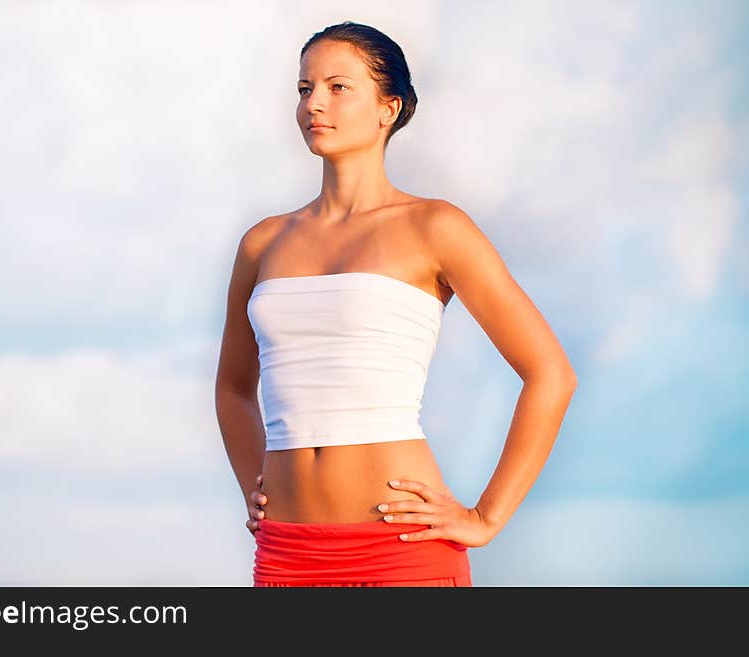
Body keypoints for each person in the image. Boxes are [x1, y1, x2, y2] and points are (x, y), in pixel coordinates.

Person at [215, 21, 577, 587]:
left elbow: (550, 374)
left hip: (400, 549)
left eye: (338, 87)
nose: (315, 103)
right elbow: (233, 387)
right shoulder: (263, 242)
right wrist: (252, 487)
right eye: (305, 88)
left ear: (389, 108)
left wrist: (486, 517)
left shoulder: (435, 227)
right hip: (288, 550)